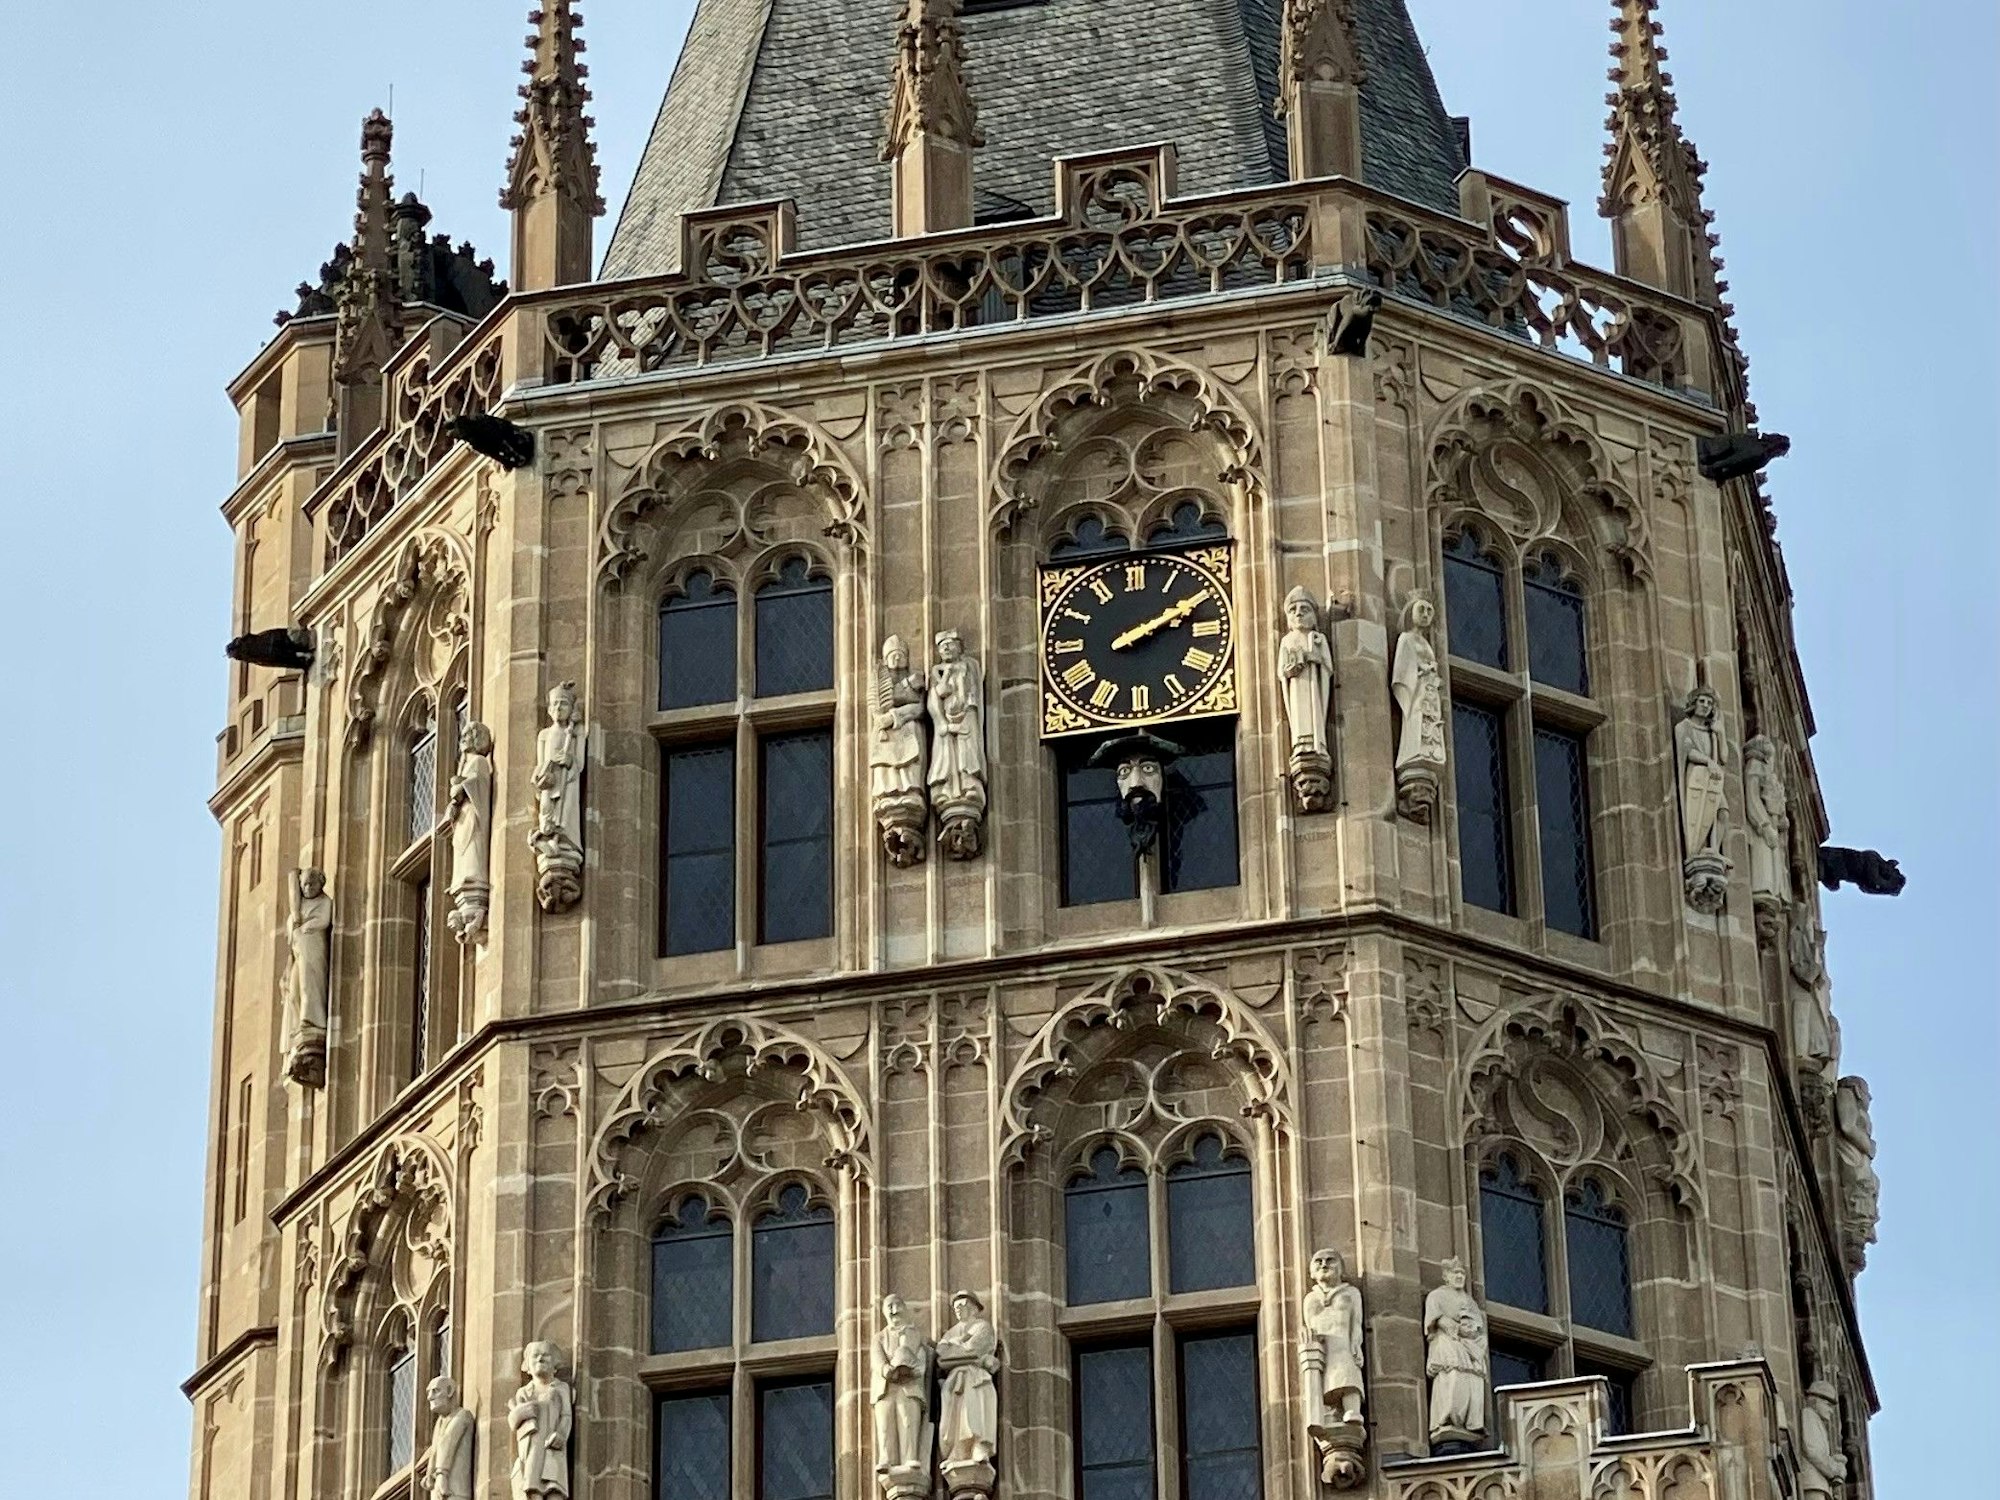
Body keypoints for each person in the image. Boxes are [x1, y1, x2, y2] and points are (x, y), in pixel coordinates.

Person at [1423, 1258, 1488, 1441]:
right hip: (1448, 1342)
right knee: (1452, 1378)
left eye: (1462, 1273)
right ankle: (1449, 1418)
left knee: (1472, 1381)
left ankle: (1472, 1422)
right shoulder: (1436, 1296)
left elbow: (1478, 1326)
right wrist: (1456, 1328)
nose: (1459, 1276)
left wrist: (1471, 1332)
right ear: (1446, 1276)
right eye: (1455, 1273)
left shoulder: (1470, 1301)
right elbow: (1436, 1319)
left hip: (1470, 1346)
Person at [935, 1290, 999, 1473]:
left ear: (972, 1307)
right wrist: (959, 1349)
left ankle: (979, 1447)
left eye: (961, 1305)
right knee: (954, 1418)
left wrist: (956, 1350)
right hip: (954, 1380)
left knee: (973, 1414)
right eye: (955, 1307)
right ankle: (958, 1453)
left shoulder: (982, 1327)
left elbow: (975, 1349)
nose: (958, 1310)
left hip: (974, 1378)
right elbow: (941, 1356)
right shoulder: (951, 1332)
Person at [1302, 1249, 1366, 1429]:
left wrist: (1356, 1343)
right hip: (1322, 1344)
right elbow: (1308, 1324)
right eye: (1318, 1261)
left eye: (1330, 1260)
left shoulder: (1351, 1293)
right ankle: (1328, 1410)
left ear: (1341, 1269)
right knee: (1324, 1374)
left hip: (1343, 1342)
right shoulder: (1310, 1298)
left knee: (1347, 1369)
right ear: (1312, 1272)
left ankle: (1351, 1408)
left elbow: (1357, 1321)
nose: (1324, 1264)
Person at [873, 1294, 932, 1477]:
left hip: (909, 1384)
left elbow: (922, 1356)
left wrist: (915, 1369)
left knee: (908, 1420)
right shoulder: (880, 1337)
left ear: (904, 1309)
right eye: (889, 1307)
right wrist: (885, 1369)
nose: (893, 1310)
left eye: (897, 1305)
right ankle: (887, 1458)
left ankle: (910, 1457)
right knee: (886, 1422)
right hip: (886, 1386)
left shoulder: (915, 1334)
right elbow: (877, 1358)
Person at [508, 1342, 573, 1500]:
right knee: (532, 1487)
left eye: (545, 1355)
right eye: (535, 1356)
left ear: (555, 1365)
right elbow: (513, 1421)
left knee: (553, 1486)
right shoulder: (523, 1392)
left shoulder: (560, 1388)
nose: (540, 1358)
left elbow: (566, 1415)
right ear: (528, 1367)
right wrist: (521, 1412)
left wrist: (561, 1434)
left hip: (550, 1446)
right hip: (531, 1449)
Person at [1392, 594, 1447, 775]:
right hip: (1416, 692)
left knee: (1429, 723)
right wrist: (1421, 671)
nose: (1425, 615)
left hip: (1429, 691)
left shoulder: (1425, 643)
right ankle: (1413, 752)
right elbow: (1402, 670)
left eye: (1429, 611)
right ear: (1411, 613)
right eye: (1421, 610)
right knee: (1417, 721)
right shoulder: (1406, 639)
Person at [1278, 587, 1334, 760]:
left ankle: (1318, 743)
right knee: (1300, 714)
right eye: (1293, 610)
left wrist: (1315, 658)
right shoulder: (1287, 640)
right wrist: (1298, 661)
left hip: (1313, 683)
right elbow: (1282, 670)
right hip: (1297, 684)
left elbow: (1328, 667)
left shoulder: (1319, 638)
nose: (1299, 614)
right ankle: (1301, 743)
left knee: (1313, 712)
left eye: (1304, 609)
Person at [425, 1377, 475, 1500]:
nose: (430, 1397)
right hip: (439, 1488)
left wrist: (442, 1474)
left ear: (449, 1391)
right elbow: (435, 1451)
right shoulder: (440, 1422)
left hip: (454, 1488)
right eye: (429, 1392)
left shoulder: (463, 1415)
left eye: (435, 1391)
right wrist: (430, 1473)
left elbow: (447, 1443)